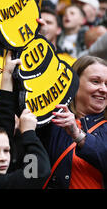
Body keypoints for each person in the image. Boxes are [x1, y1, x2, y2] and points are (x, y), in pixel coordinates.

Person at [37, 55, 107, 189]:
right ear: (74, 83)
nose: (103, 89)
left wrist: (78, 135)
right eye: (95, 81)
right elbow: (30, 164)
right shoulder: (50, 119)